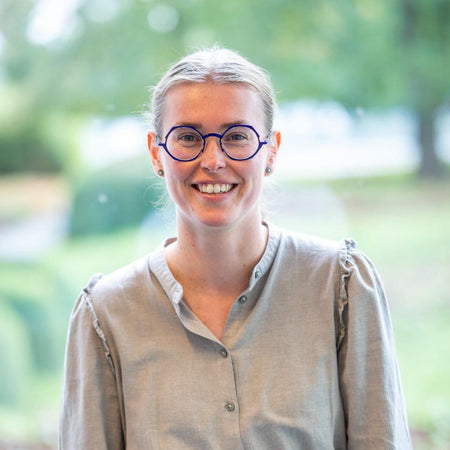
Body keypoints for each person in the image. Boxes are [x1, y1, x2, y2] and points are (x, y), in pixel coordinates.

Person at [59, 46, 412, 449]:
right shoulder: (106, 314)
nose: (213, 160)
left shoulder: (341, 287)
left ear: (271, 150)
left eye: (237, 137)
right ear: (156, 153)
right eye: (188, 137)